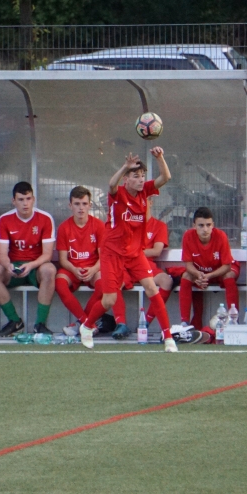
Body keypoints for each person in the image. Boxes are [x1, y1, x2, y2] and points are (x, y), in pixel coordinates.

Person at [79, 148, 177, 352]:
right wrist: (125, 166)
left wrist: (160, 158)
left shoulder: (144, 192)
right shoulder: (119, 194)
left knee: (152, 289)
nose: (141, 180)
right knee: (109, 300)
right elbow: (111, 184)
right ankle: (87, 326)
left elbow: (166, 177)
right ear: (126, 179)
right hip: (112, 253)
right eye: (136, 176)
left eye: (142, 176)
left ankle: (168, 338)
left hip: (134, 253)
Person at [0, 181, 57, 336]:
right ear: (13, 201)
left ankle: (40, 324)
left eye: (28, 199)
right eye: (21, 199)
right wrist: (8, 266)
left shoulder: (45, 218)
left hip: (36, 267)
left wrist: (31, 265)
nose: (25, 203)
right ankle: (14, 321)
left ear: (33, 199)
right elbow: (3, 254)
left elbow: (47, 254)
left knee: (49, 269)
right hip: (14, 267)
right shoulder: (4, 219)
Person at [111, 199, 174, 339]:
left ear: (150, 202)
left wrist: (135, 252)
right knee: (114, 282)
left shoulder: (159, 225)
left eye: (143, 201)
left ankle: (146, 322)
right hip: (126, 265)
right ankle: (121, 324)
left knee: (166, 281)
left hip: (146, 264)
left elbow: (157, 251)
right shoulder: (127, 224)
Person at [178, 207, 240, 337]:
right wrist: (198, 275)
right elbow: (188, 265)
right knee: (186, 276)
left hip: (219, 271)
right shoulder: (188, 236)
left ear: (213, 225)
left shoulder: (220, 236)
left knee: (229, 275)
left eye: (208, 225)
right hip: (201, 272)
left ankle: (234, 321)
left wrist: (209, 275)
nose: (205, 229)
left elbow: (227, 266)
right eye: (201, 225)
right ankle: (184, 323)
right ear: (194, 226)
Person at [54, 186, 106, 331]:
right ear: (70, 206)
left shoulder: (99, 225)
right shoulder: (64, 227)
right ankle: (86, 323)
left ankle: (80, 325)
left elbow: (103, 257)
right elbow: (63, 260)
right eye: (77, 204)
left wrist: (93, 269)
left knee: (104, 285)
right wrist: (74, 269)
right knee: (59, 283)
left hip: (93, 268)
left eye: (84, 204)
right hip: (73, 268)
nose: (81, 208)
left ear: (90, 205)